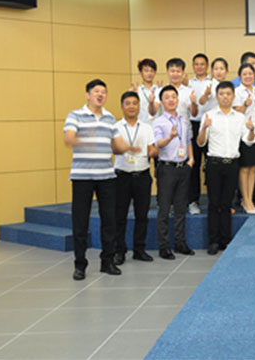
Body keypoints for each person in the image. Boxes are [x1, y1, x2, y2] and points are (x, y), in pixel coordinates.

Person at [64, 79, 139, 280]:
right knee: (80, 222)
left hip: (106, 176)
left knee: (109, 221)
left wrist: (129, 148)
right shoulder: (75, 115)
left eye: (104, 92)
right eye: (96, 91)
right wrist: (85, 141)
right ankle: (80, 265)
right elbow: (68, 138)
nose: (100, 95)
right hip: (82, 177)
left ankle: (107, 261)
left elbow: (117, 145)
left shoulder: (109, 118)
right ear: (87, 95)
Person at [197, 81, 255, 255]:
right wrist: (204, 128)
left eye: (228, 94)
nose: (225, 97)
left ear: (233, 96)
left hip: (232, 165)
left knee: (226, 203)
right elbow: (200, 142)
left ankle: (225, 240)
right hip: (214, 164)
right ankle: (213, 241)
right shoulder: (209, 115)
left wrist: (251, 130)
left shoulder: (239, 118)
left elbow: (248, 141)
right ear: (217, 96)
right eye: (222, 94)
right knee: (214, 203)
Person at [113, 91, 158, 265]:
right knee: (119, 216)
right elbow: (113, 149)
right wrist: (127, 148)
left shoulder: (147, 127)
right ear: (122, 106)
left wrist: (153, 151)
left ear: (139, 106)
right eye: (128, 103)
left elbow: (152, 148)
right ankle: (119, 251)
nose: (131, 106)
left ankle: (139, 250)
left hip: (142, 176)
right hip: (121, 177)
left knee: (142, 215)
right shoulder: (115, 127)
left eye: (134, 103)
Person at [153, 85, 196, 259]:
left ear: (178, 99)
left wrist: (191, 159)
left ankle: (180, 243)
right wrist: (170, 137)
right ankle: (164, 247)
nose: (171, 100)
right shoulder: (158, 122)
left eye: (173, 96)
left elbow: (188, 140)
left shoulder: (183, 120)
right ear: (162, 102)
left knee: (180, 208)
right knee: (164, 209)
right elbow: (158, 144)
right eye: (167, 97)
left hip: (183, 167)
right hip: (167, 168)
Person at [164, 58, 199, 215]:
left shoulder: (189, 91)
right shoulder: (162, 91)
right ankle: (170, 203)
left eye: (178, 71)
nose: (175, 74)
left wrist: (194, 104)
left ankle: (192, 202)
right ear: (167, 72)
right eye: (172, 71)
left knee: (190, 170)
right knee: (169, 173)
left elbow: (194, 114)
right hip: (168, 138)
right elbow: (155, 113)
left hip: (186, 137)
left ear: (183, 73)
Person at [233, 63, 255, 214]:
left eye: (250, 74)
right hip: (243, 133)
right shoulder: (237, 92)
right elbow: (234, 111)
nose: (248, 76)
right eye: (244, 74)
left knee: (253, 168)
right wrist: (245, 104)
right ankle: (245, 200)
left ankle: (250, 200)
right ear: (240, 76)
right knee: (244, 168)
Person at [187, 53, 213, 216]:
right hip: (194, 124)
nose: (199, 67)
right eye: (196, 64)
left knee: (212, 164)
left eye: (202, 64)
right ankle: (193, 201)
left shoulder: (214, 82)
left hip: (211, 125)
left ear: (207, 66)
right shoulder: (188, 84)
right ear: (193, 66)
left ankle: (214, 200)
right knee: (194, 164)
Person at [133, 58, 162, 124]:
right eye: (146, 71)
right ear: (140, 72)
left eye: (152, 70)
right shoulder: (136, 91)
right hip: (141, 126)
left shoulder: (159, 90)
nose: (149, 73)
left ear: (155, 72)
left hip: (157, 126)